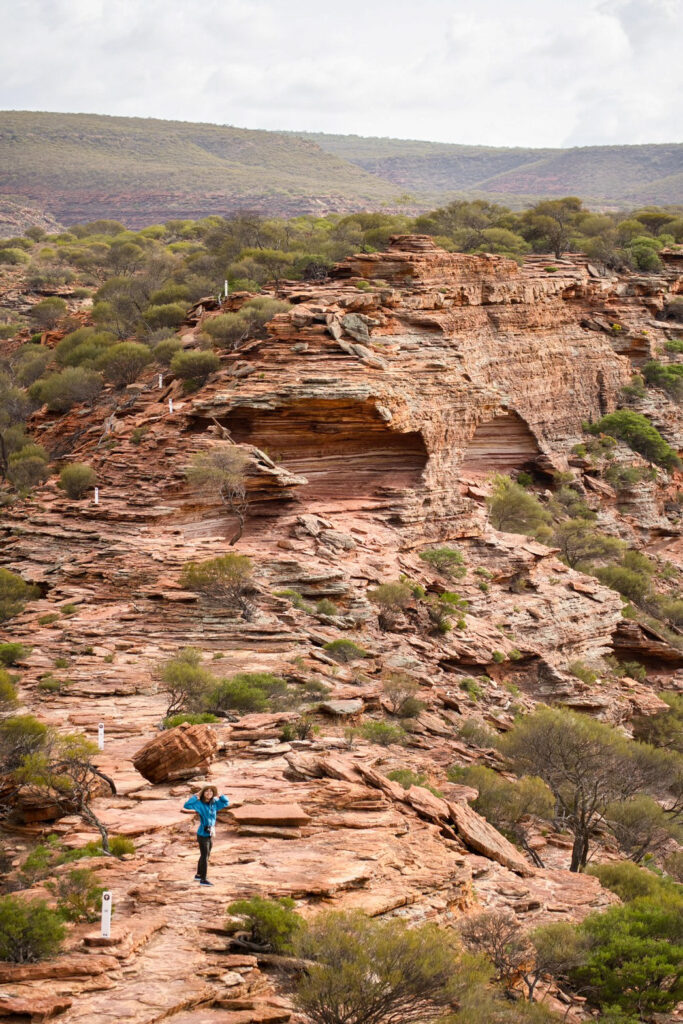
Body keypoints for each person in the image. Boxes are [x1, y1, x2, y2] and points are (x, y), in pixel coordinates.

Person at [183, 786, 229, 886]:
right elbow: (187, 805)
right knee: (204, 856)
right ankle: (203, 880)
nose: (209, 793)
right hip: (202, 834)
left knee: (206, 855)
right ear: (203, 793)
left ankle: (199, 875)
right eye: (207, 791)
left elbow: (226, 802)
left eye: (211, 791)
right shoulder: (199, 804)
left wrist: (221, 796)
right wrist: (195, 796)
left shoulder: (215, 803)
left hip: (210, 833)